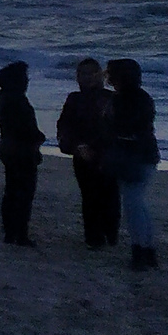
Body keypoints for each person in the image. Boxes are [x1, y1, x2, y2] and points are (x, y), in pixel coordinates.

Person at [102, 58, 161, 270]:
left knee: (133, 205)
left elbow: (122, 126)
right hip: (144, 154)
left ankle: (140, 251)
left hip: (133, 156)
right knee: (138, 204)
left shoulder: (124, 99)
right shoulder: (142, 98)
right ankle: (148, 250)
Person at [57, 58, 120, 248]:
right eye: (82, 74)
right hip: (83, 154)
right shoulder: (74, 99)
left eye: (91, 73)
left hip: (108, 154)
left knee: (111, 195)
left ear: (100, 75)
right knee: (89, 196)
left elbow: (118, 127)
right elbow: (64, 127)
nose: (86, 78)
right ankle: (94, 237)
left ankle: (110, 233)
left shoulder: (111, 98)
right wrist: (77, 146)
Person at [0, 61, 43, 246]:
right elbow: (24, 128)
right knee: (24, 192)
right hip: (21, 150)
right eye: (25, 77)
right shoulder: (17, 100)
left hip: (8, 147)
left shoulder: (2, 97)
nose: (27, 81)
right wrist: (39, 137)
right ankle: (20, 234)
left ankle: (10, 232)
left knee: (11, 191)